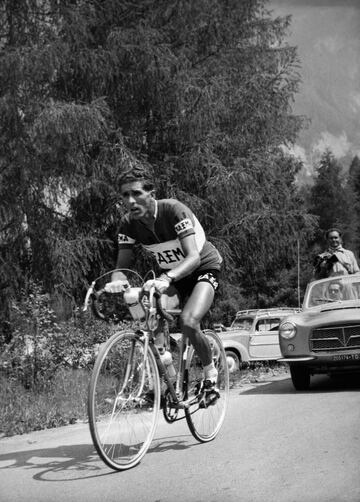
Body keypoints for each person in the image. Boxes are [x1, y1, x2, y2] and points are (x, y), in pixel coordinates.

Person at [104, 166, 223, 400]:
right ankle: (167, 383)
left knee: (188, 321)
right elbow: (122, 268)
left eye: (136, 193)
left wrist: (166, 277)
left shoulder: (173, 210)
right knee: (151, 315)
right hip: (170, 275)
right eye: (125, 195)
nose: (130, 200)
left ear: (151, 193)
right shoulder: (128, 224)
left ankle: (211, 373)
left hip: (202, 268)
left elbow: (193, 257)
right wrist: (116, 281)